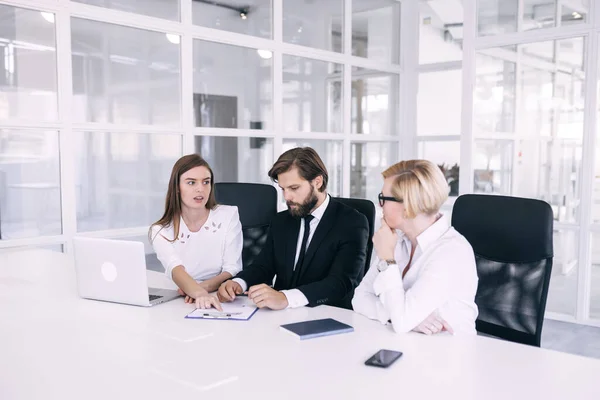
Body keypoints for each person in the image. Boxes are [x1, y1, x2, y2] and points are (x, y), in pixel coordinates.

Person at [217, 147, 369, 310]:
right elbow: (263, 266)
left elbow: (341, 282)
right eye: (283, 189)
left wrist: (285, 298)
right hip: (280, 316)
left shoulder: (352, 222)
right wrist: (238, 282)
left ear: (317, 182)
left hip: (327, 316)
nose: (287, 197)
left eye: (294, 188)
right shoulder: (281, 221)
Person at [352, 159, 478, 335]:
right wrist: (398, 316)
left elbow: (402, 322)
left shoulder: (452, 251)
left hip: (448, 355)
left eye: (383, 199)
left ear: (407, 206)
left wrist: (387, 258)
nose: (380, 206)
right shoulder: (397, 239)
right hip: (407, 346)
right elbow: (359, 299)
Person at [149, 154, 242, 310]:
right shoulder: (160, 231)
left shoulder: (228, 215)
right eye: (191, 182)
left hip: (216, 295)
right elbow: (176, 270)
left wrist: (201, 289)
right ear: (177, 188)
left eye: (206, 182)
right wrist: (197, 292)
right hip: (177, 300)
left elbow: (232, 269)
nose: (200, 189)